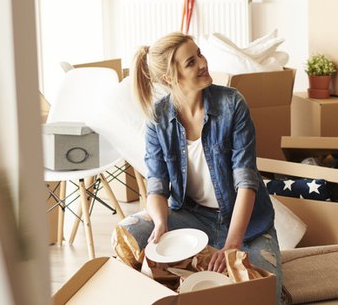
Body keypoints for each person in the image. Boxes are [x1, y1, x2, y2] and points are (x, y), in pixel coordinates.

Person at [116, 32, 285, 304]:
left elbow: (246, 183)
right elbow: (157, 185)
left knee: (263, 292)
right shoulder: (158, 119)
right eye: (191, 62)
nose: (203, 63)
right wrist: (160, 223)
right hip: (192, 218)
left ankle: (205, 266)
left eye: (200, 54)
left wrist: (231, 246)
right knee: (129, 232)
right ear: (170, 78)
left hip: (248, 224)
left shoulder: (232, 104)